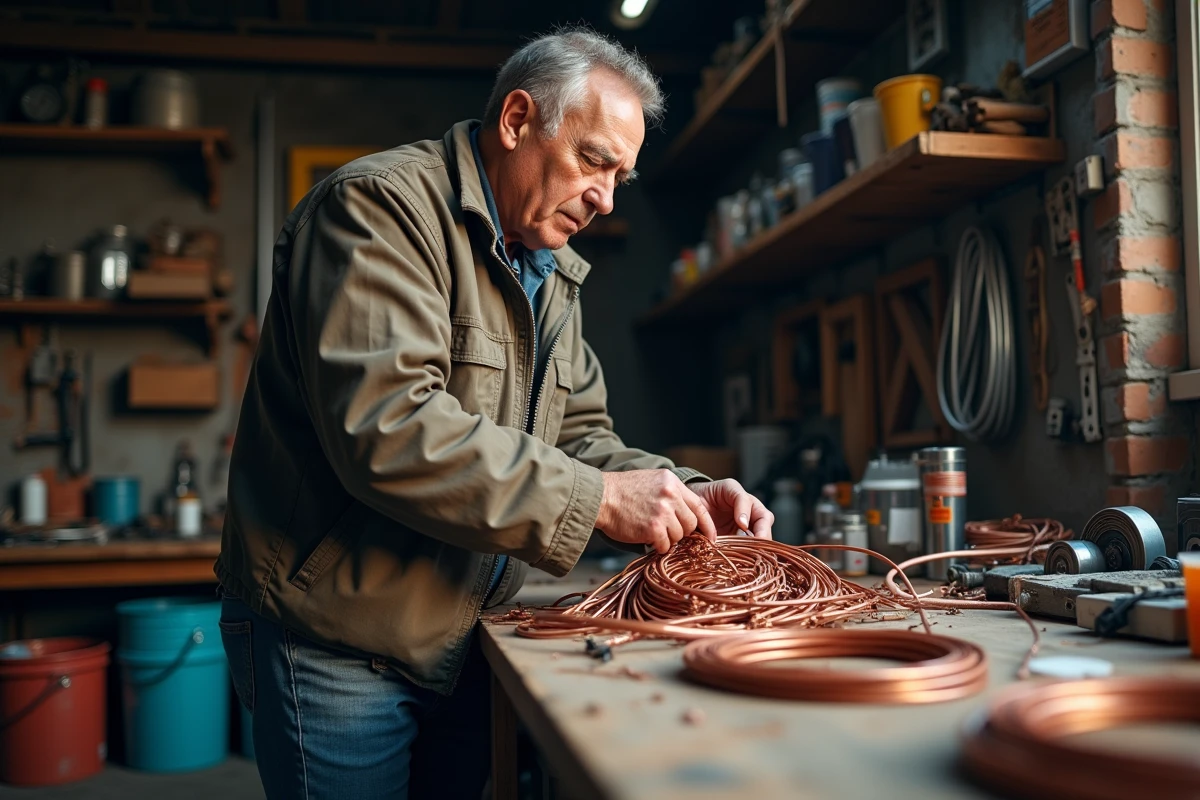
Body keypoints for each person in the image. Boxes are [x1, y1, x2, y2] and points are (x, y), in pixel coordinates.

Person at [216, 26, 774, 799]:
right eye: (594, 161)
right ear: (516, 120)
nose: (607, 198)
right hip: (337, 640)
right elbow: (387, 430)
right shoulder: (379, 210)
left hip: (462, 633)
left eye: (621, 177)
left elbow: (581, 437)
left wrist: (682, 490)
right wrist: (600, 500)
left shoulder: (548, 270)